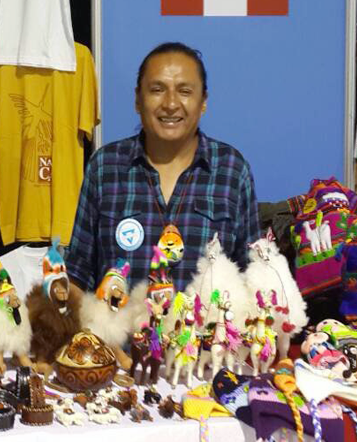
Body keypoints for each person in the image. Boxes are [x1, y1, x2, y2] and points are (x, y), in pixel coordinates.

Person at [66, 41, 260, 294]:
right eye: (157, 90)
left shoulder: (232, 170)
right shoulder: (105, 167)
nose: (170, 104)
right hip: (121, 320)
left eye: (185, 91)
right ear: (138, 99)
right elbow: (78, 273)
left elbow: (252, 274)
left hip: (207, 321)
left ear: (203, 101)